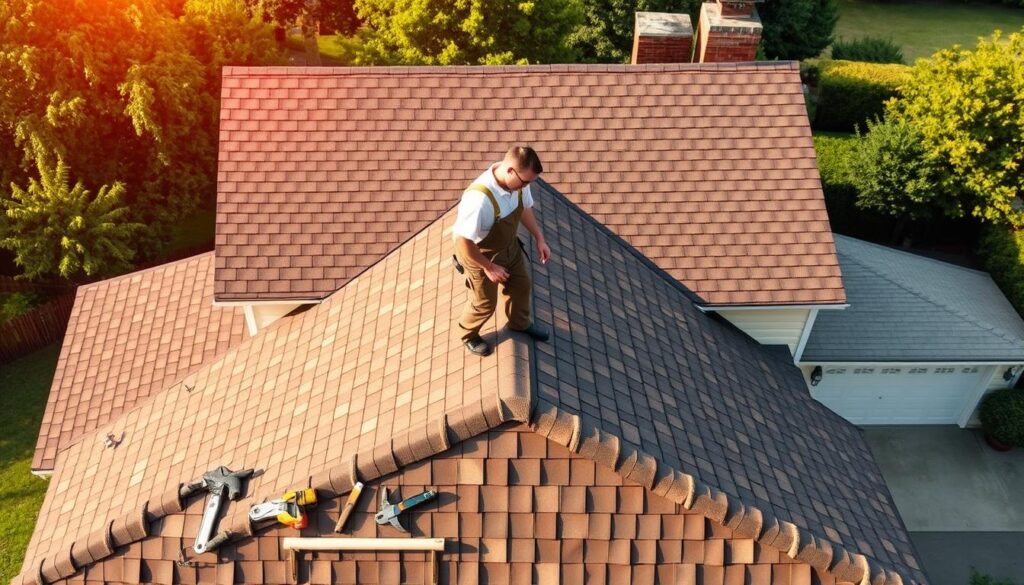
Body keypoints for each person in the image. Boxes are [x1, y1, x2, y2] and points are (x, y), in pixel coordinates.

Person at [451, 146, 552, 356]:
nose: (526, 186)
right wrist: (488, 267)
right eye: (524, 182)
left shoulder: (520, 185)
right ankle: (468, 334)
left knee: (522, 286)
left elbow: (524, 208)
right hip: (479, 255)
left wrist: (539, 238)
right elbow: (463, 242)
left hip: (509, 248)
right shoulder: (479, 200)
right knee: (485, 303)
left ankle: (519, 323)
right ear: (510, 171)